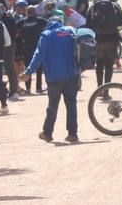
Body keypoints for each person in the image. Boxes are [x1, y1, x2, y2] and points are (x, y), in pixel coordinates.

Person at [24, 11, 81, 144]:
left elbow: (38, 55)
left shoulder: (46, 35)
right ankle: (73, 134)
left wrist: (29, 71)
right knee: (71, 104)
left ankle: (48, 133)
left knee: (53, 105)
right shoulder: (72, 32)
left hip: (54, 77)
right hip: (72, 74)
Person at [86, 0, 122, 86]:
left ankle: (99, 88)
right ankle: (106, 91)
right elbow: (121, 22)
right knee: (109, 66)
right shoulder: (114, 6)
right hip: (112, 40)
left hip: (98, 40)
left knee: (99, 65)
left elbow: (87, 25)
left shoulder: (92, 8)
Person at [0, 2, 21, 100]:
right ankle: (2, 92)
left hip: (9, 46)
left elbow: (14, 33)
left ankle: (14, 91)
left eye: (1, 8)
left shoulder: (9, 19)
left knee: (9, 68)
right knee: (0, 69)